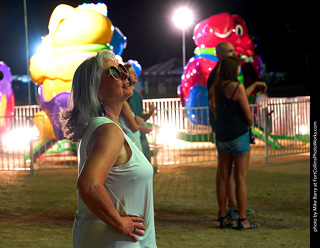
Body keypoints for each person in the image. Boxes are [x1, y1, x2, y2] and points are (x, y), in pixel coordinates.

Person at [60, 50, 157, 247]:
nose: (124, 74)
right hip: (117, 240)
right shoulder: (108, 131)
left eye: (121, 69)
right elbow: (88, 185)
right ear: (95, 90)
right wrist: (119, 222)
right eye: (113, 72)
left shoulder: (103, 127)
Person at [207, 42, 267, 221]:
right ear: (220, 55)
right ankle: (240, 216)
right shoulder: (221, 78)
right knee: (238, 177)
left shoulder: (217, 82)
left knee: (224, 175)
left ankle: (224, 214)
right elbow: (240, 102)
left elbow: (227, 98)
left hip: (222, 133)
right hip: (235, 133)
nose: (234, 54)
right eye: (230, 52)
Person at [124, 63, 156, 162]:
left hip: (140, 135)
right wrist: (140, 127)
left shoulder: (137, 96)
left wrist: (150, 113)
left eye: (134, 73)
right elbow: (131, 122)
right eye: (131, 73)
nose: (135, 75)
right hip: (132, 136)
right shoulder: (125, 98)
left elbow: (140, 117)